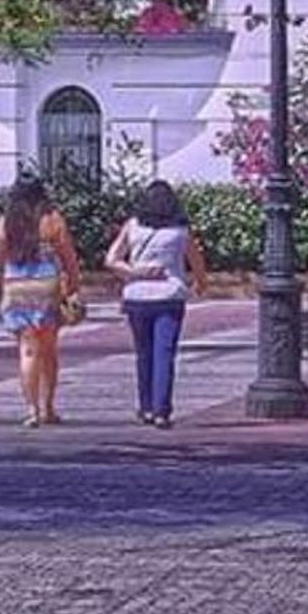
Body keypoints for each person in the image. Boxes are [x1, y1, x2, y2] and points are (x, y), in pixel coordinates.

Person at [106, 180, 208, 428]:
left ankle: (146, 408)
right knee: (164, 354)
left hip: (137, 297)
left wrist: (134, 272)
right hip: (169, 297)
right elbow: (197, 263)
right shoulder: (181, 231)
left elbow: (111, 259)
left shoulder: (133, 226)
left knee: (144, 354)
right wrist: (199, 285)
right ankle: (162, 410)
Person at [0, 176, 82, 428]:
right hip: (47, 286)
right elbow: (68, 255)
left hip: (16, 286)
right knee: (49, 350)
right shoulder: (53, 219)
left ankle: (31, 409)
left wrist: (3, 280)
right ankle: (49, 406)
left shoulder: (6, 222)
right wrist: (74, 284)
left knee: (27, 350)